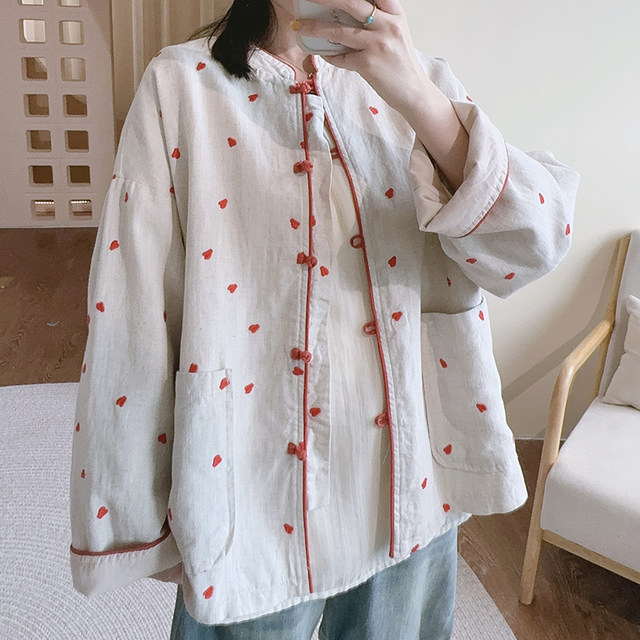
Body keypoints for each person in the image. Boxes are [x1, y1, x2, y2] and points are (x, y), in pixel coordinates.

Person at [68, 0, 579, 638]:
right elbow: (133, 314)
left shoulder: (423, 85)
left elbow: (534, 245)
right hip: (246, 484)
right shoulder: (181, 87)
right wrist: (136, 513)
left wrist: (416, 94)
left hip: (411, 482)